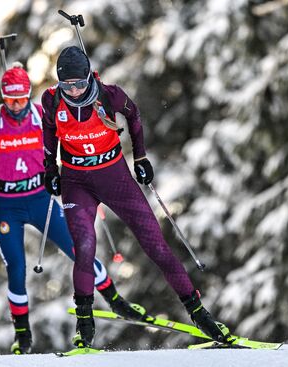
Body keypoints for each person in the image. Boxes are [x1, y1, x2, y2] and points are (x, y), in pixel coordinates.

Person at [41, 46, 231, 348]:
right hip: (76, 181)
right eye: (67, 85)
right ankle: (85, 325)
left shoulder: (109, 95)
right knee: (85, 246)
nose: (74, 91)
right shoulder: (51, 100)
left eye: (79, 83)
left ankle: (199, 313)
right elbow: (49, 131)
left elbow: (134, 116)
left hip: (115, 178)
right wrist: (49, 167)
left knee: (155, 245)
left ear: (89, 77)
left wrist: (140, 158)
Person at [0, 63, 144, 354]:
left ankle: (116, 301)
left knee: (80, 249)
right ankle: (23, 334)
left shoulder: (41, 114)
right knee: (16, 268)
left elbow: (69, 131)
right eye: (10, 99)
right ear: (3, 96)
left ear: (28, 95)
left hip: (41, 201)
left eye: (21, 98)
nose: (16, 105)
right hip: (8, 207)